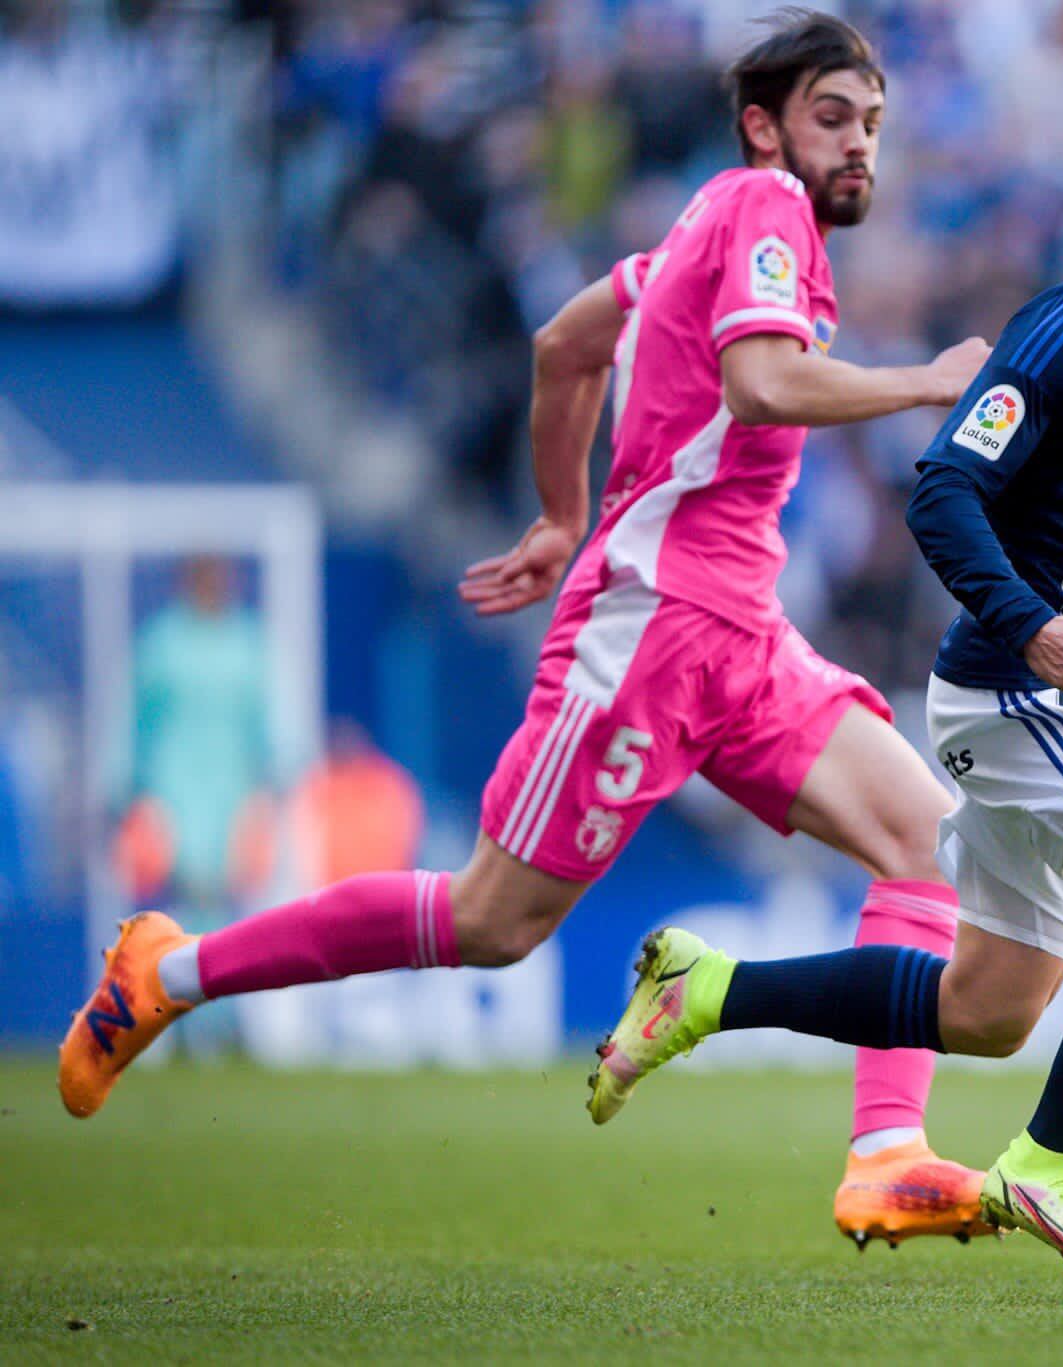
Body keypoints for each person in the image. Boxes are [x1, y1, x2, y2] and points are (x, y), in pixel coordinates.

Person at [60, 8, 1000, 1251]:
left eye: (873, 124)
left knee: (927, 844)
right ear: (763, 126)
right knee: (493, 921)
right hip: (655, 631)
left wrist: (564, 512)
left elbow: (567, 346)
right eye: (834, 118)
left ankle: (885, 1151)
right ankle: (168, 971)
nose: (859, 146)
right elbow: (761, 383)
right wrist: (929, 382)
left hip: (740, 630)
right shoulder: (762, 208)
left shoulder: (705, 231)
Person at [591, 118, 1063, 1283]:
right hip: (1011, 687)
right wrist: (1033, 624)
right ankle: (1055, 1163)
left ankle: (706, 990)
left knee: (989, 1009)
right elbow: (942, 489)